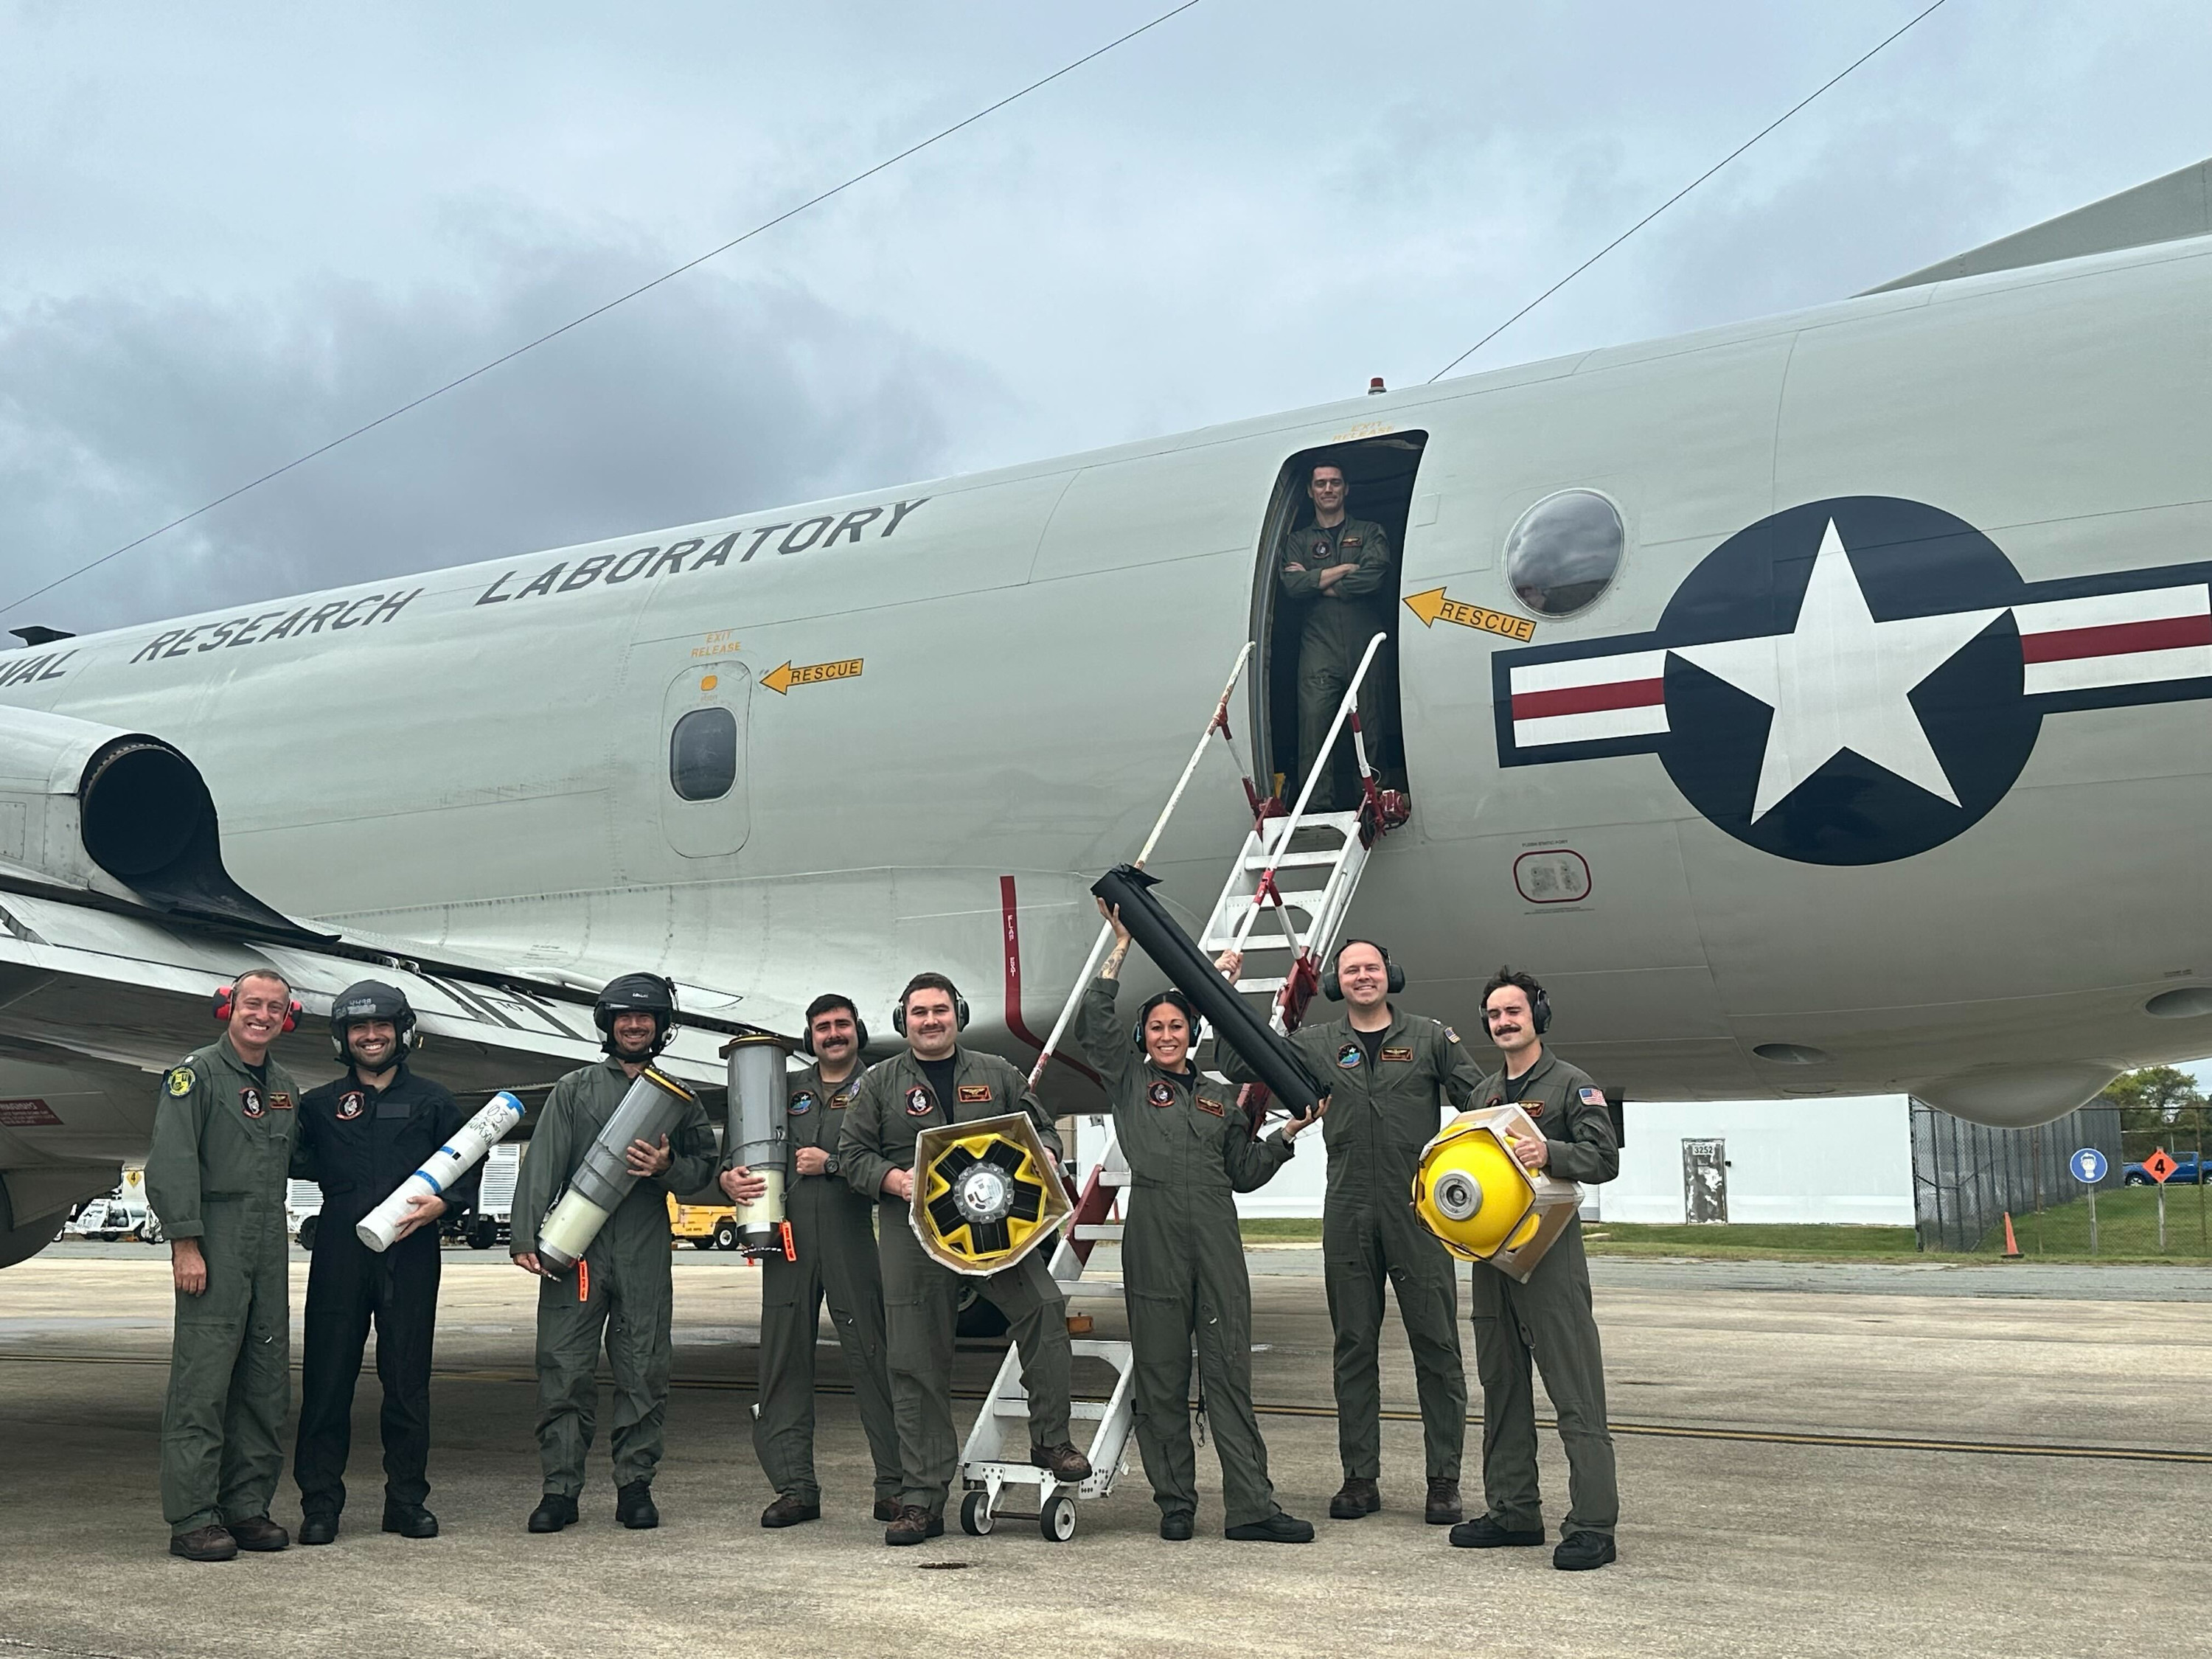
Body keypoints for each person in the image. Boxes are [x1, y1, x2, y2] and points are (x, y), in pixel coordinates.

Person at [1214, 937, 1481, 1525]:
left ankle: (1444, 1480)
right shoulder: (1316, 1045)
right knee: (1354, 1347)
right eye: (1352, 970)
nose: (1364, 977)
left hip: (1418, 1213)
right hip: (1349, 1211)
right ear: (1337, 983)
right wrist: (1227, 992)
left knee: (1436, 1345)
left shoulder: (1431, 1039)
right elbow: (1238, 1065)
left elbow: (1482, 1101)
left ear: (1392, 974)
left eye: (1373, 968)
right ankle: (1360, 1478)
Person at [1075, 901, 1319, 1543]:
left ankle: (1251, 1508)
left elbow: (1243, 1170)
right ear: (1143, 1037)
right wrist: (1121, 945)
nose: (1165, 1035)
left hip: (1215, 1237)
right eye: (1155, 1027)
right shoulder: (1129, 1082)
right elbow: (1092, 1023)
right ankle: (1175, 1503)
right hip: (1153, 1236)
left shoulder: (1220, 1096)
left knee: (1228, 1374)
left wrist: (1287, 1135)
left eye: (1175, 1026)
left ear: (1192, 1033)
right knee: (1160, 1380)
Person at [838, 972, 1092, 1545]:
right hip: (914, 1231)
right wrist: (893, 1177)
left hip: (996, 1229)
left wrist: (1049, 1154)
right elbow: (851, 1156)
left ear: (959, 1014)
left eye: (942, 1011)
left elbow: (1042, 1131)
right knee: (915, 1361)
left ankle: (1050, 1437)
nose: (932, 1021)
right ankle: (923, 1499)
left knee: (1045, 1309)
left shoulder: (997, 1073)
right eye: (920, 1012)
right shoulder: (879, 1084)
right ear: (905, 1021)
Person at [509, 973, 717, 1534]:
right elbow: (543, 1162)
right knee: (563, 1367)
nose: (634, 1025)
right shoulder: (574, 1089)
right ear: (608, 1023)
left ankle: (635, 1485)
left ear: (661, 1027)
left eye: (645, 1017)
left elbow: (705, 1172)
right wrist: (525, 1234)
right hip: (578, 1247)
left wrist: (667, 1168)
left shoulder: (680, 1099)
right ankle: (560, 1489)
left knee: (645, 1366)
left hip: (645, 1244)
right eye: (625, 1017)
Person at [291, 981, 480, 1545]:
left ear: (403, 1033)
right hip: (340, 1251)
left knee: (407, 1381)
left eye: (381, 1027)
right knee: (327, 1381)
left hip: (411, 1249)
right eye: (358, 1029)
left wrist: (446, 1203)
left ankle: (406, 1501)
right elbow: (283, 1157)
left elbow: (468, 1165)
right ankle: (321, 1505)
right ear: (342, 1038)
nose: (371, 1037)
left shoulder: (434, 1101)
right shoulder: (319, 1105)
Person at [1450, 967, 1621, 1571]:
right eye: (1494, 1015)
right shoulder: (1483, 1096)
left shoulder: (1572, 1085)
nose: (1503, 1023)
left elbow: (1604, 1159)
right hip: (1492, 1258)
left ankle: (1594, 1525)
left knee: (1575, 1391)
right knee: (1502, 1388)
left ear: (1537, 1016)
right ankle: (1514, 1510)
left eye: (1513, 1012)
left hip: (1550, 1259)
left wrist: (1552, 1152)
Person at [718, 994, 902, 1528]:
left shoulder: (883, 1085)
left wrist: (836, 1164)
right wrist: (727, 1179)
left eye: (842, 1024)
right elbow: (738, 1151)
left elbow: (895, 1157)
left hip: (855, 1237)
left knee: (875, 1357)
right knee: (782, 1362)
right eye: (822, 1027)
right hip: (788, 1243)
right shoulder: (783, 1089)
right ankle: (795, 1487)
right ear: (810, 1036)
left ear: (858, 1030)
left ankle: (893, 1484)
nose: (833, 1034)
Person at [145, 968, 305, 1561]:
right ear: (229, 1008)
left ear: (286, 1017)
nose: (261, 1015)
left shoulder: (285, 1086)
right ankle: (192, 1517)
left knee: (265, 1384)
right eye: (252, 1004)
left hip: (268, 1244)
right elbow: (172, 1162)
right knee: (203, 1385)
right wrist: (185, 1243)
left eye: (274, 1008)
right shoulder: (196, 1076)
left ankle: (245, 1507)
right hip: (215, 1238)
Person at [1278, 461, 1404, 812]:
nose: (1328, 489)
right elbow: (1292, 585)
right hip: (1319, 645)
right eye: (1321, 484)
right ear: (1310, 491)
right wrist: (1345, 569)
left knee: (1370, 725)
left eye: (1335, 483)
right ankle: (1317, 807)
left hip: (1364, 640)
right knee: (1314, 726)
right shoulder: (1298, 541)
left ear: (1346, 489)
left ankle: (1372, 802)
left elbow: (1373, 577)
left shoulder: (1370, 532)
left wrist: (1318, 581)